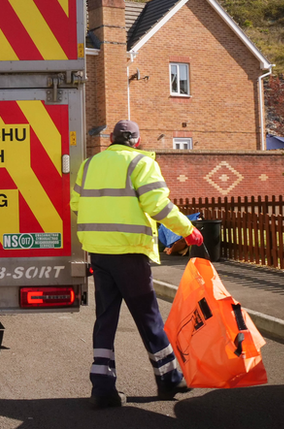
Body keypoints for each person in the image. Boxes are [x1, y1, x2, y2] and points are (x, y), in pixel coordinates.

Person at [70, 120, 204, 408]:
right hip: (130, 252)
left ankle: (102, 388)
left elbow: (75, 204)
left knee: (105, 318)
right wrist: (187, 230)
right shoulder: (141, 163)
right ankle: (168, 379)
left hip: (99, 253)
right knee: (148, 316)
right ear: (137, 141)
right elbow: (158, 206)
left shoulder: (90, 165)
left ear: (112, 140)